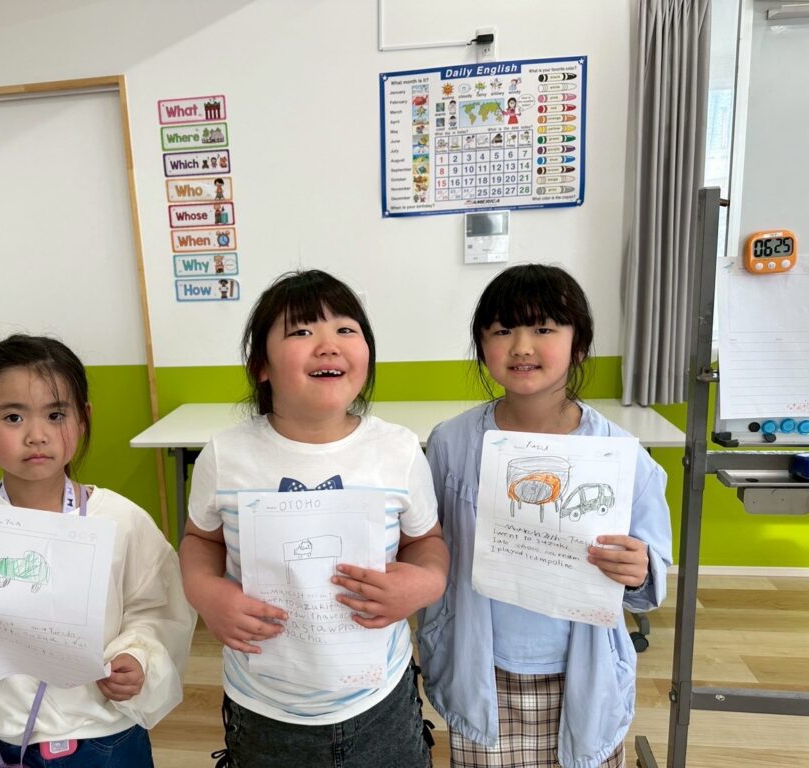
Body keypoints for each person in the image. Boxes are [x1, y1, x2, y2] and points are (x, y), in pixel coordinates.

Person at [0, 334, 195, 768]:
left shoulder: (121, 521)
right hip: (0, 741)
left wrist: (138, 657)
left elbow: (158, 610)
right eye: (13, 417)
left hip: (103, 736)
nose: (36, 436)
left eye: (55, 415)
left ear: (83, 420)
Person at [180, 269, 449, 767]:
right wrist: (205, 592)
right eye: (302, 331)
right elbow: (201, 539)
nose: (328, 345)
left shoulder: (398, 450)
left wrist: (426, 582)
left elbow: (425, 540)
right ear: (261, 366)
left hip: (379, 698)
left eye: (346, 329)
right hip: (263, 703)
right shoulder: (226, 454)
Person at [417, 264, 672, 768]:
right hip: (482, 666)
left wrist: (639, 569)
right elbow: (429, 543)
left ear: (579, 345)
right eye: (502, 331)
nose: (521, 346)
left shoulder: (621, 455)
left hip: (581, 670)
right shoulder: (451, 443)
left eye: (543, 328)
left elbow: (650, 578)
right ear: (481, 345)